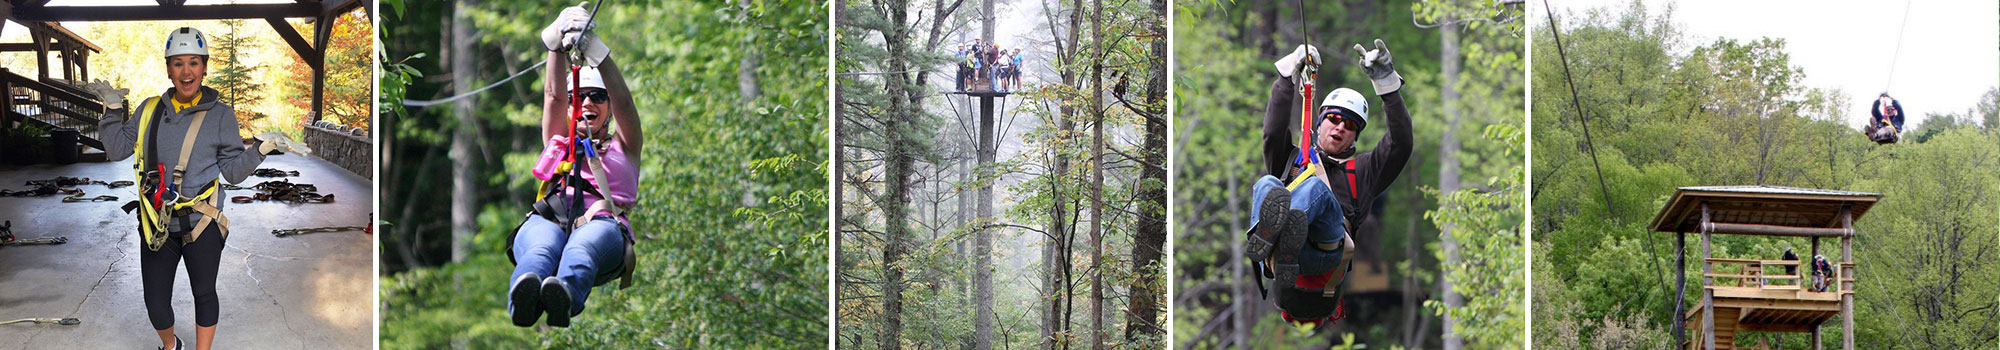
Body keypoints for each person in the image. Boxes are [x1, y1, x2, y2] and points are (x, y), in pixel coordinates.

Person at [98, 27, 274, 350]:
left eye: (194, 62)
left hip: (201, 221)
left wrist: (259, 151)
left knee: (204, 293)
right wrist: (111, 111)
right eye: (178, 63)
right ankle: (171, 345)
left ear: (204, 67)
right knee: (156, 304)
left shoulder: (221, 116)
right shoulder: (150, 110)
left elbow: (233, 172)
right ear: (168, 69)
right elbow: (117, 149)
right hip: (158, 222)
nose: (186, 71)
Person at [1244, 39, 1412, 326]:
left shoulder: (1363, 171)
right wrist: (1287, 75)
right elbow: (1272, 133)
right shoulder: (1293, 159)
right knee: (1267, 182)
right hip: (1284, 261)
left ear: (1355, 137)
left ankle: (1279, 234)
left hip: (1323, 255)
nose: (1340, 127)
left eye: (1350, 125)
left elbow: (1401, 144)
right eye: (1334, 119)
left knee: (1316, 189)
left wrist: (1387, 85)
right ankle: (1271, 240)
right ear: (1319, 122)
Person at [510, 3, 643, 328]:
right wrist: (555, 46)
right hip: (549, 220)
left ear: (608, 108)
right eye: (578, 97)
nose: (586, 103)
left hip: (603, 227)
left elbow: (625, 102)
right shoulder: (559, 140)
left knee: (583, 247)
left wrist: (597, 52)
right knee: (540, 250)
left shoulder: (625, 145)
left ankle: (565, 297)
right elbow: (554, 96)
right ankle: (523, 302)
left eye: (597, 96)